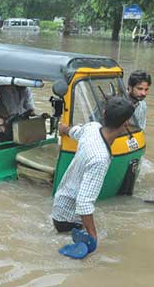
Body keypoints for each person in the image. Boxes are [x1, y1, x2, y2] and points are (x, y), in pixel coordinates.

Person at [52, 96, 135, 259]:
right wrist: (93, 237)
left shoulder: (92, 128)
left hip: (60, 206)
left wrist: (64, 129)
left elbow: (75, 131)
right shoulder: (100, 158)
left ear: (103, 113)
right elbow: (83, 203)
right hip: (70, 219)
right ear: (126, 124)